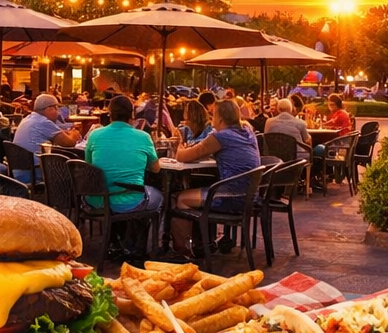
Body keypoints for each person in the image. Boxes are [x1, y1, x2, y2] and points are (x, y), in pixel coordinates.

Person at [169, 98, 262, 256]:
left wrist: (178, 143)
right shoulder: (247, 131)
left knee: (180, 199)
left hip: (231, 197)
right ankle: (203, 243)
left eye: (213, 115)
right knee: (201, 188)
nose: (211, 119)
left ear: (219, 118)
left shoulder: (221, 137)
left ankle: (182, 250)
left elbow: (182, 156)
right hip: (249, 195)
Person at [84, 95, 163, 261]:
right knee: (157, 196)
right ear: (132, 115)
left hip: (96, 200)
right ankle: (137, 247)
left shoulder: (95, 135)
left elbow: (88, 165)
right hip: (128, 201)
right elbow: (156, 169)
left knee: (119, 190)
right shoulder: (143, 137)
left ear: (109, 114)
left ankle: (116, 241)